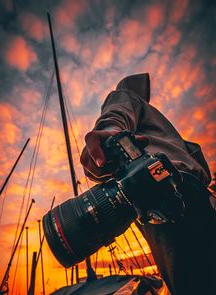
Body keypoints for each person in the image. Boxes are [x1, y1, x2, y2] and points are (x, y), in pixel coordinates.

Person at [80, 73, 216, 295]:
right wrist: (106, 140)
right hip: (165, 192)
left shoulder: (150, 117)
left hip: (179, 193)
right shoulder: (124, 96)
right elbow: (114, 117)